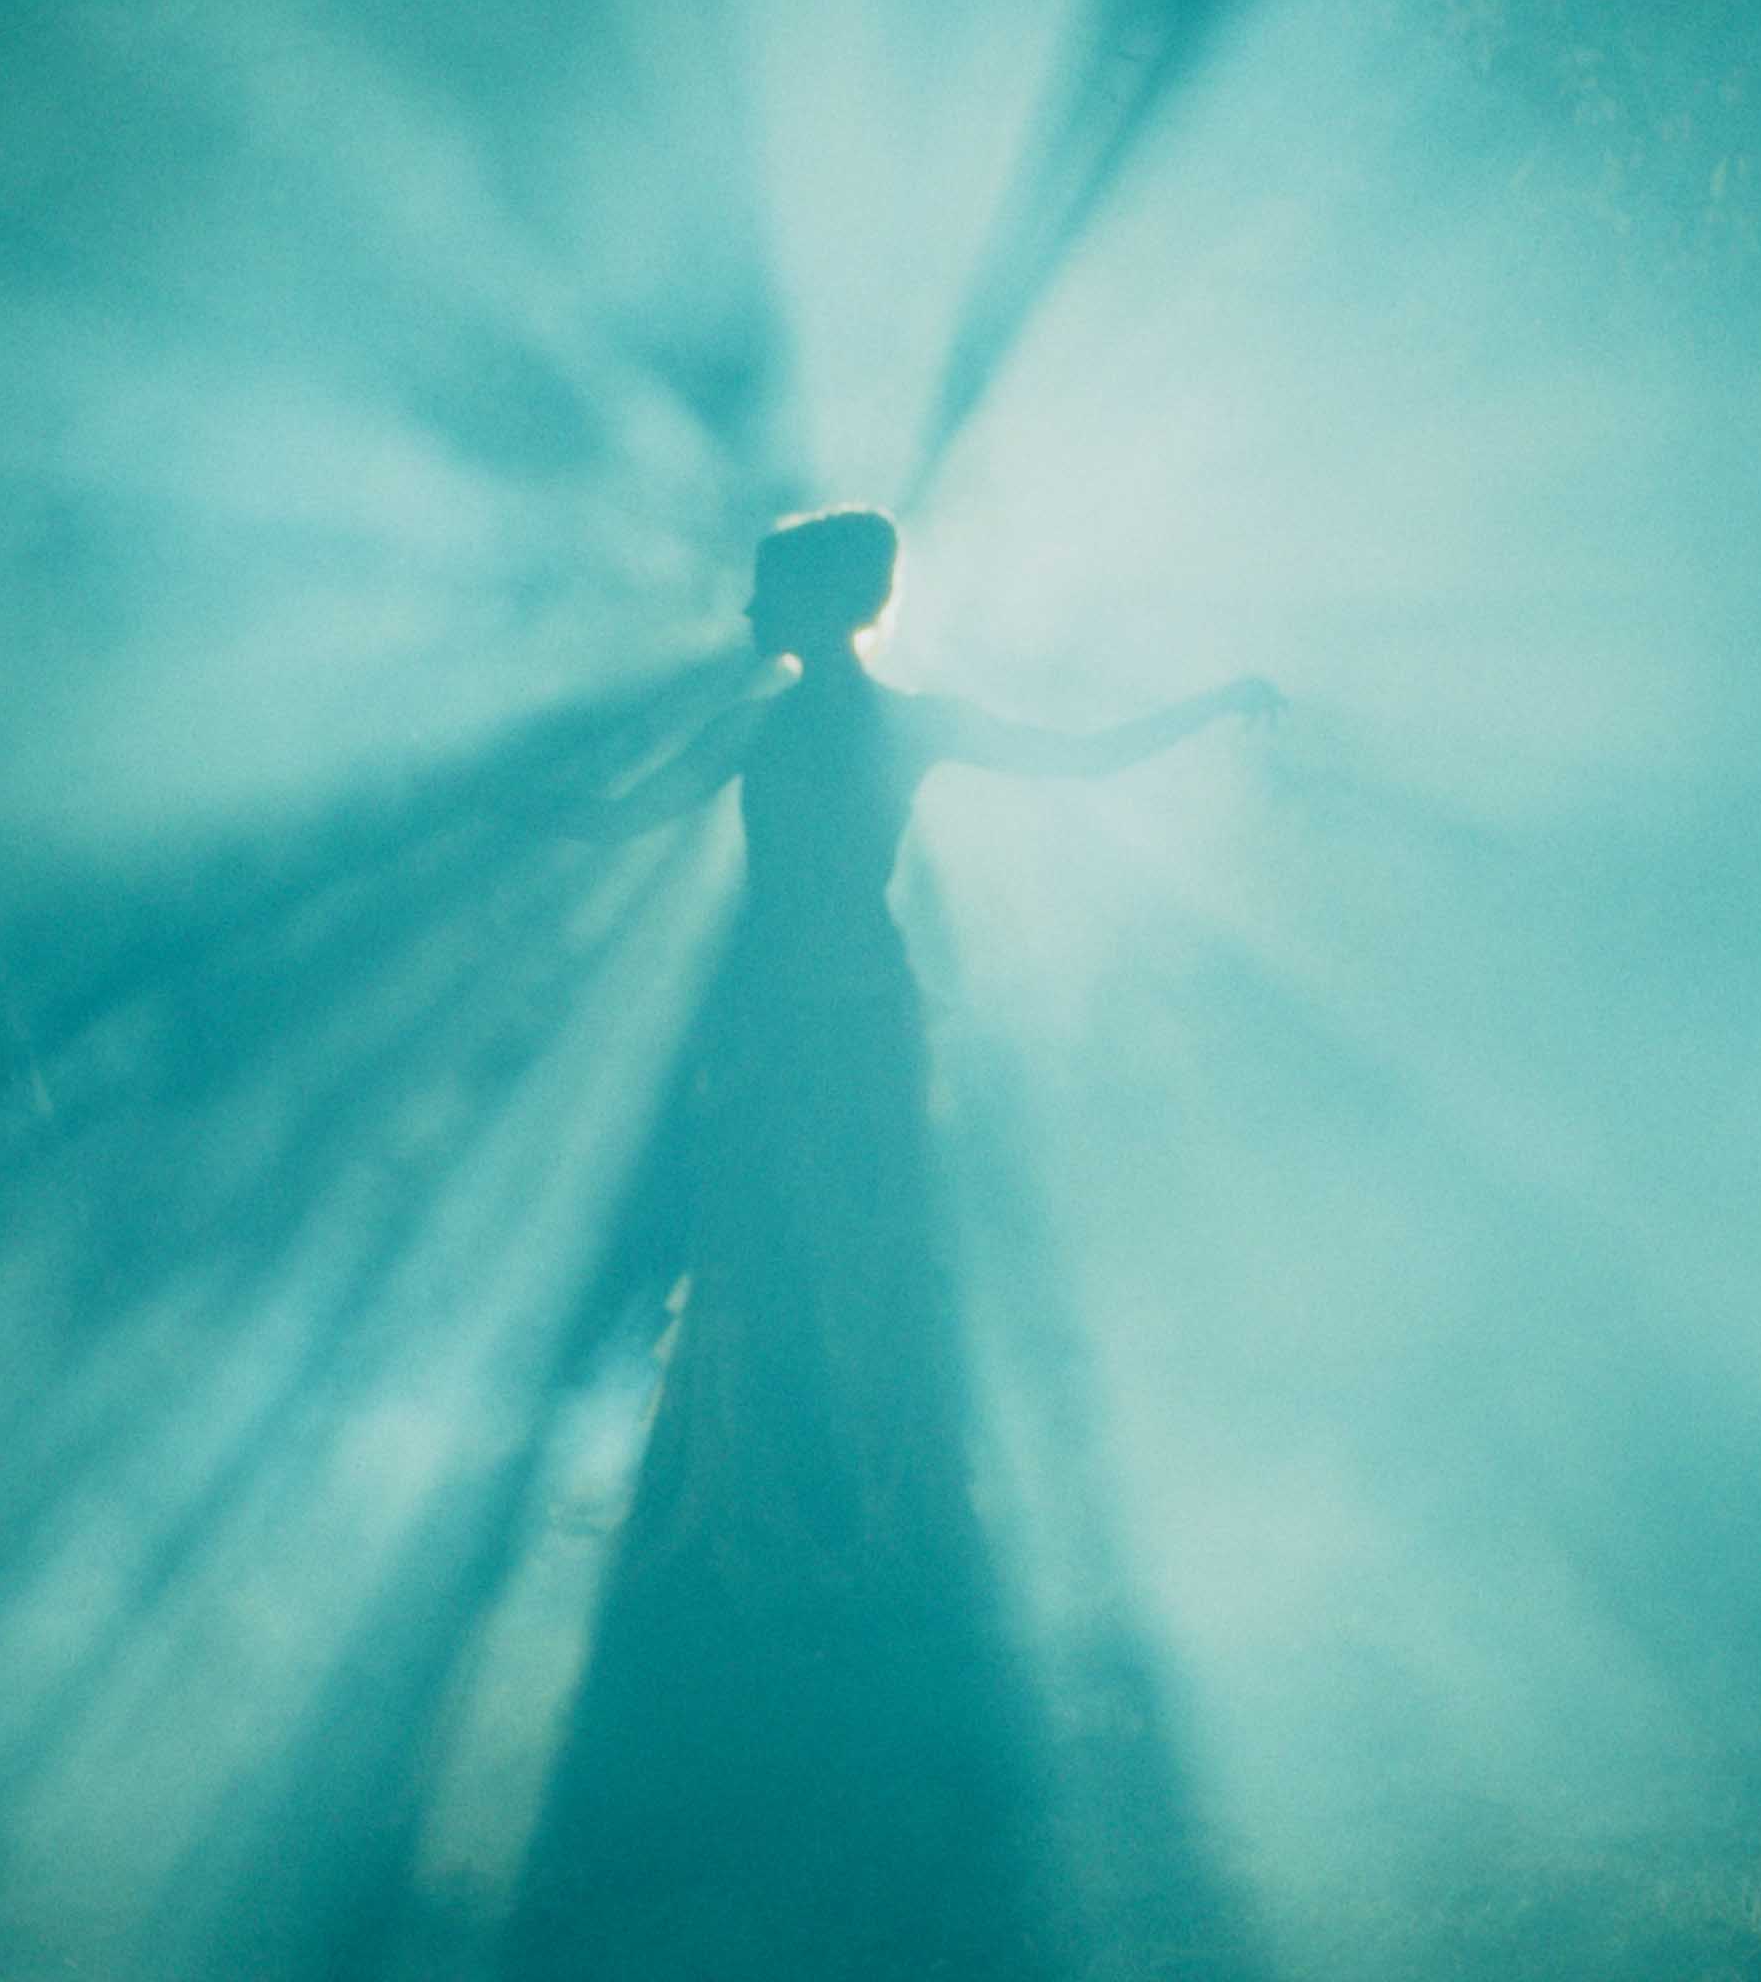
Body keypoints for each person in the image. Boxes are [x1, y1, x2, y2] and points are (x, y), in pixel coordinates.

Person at [507, 505, 1274, 1981]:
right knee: (808, 1262)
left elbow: (1078, 755)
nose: (743, 610)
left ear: (825, 604)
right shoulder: (850, 725)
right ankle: (838, 1491)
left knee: (811, 1261)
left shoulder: (800, 729)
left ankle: (833, 1498)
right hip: (826, 1015)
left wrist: (1215, 702)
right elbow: (1080, 756)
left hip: (828, 1019)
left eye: (766, 588)